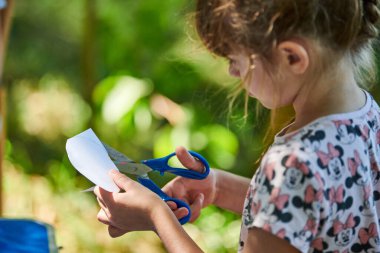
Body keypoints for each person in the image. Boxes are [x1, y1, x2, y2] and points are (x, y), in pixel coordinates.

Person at [94, 0, 380, 252]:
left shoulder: (293, 162)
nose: (232, 72)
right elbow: (313, 209)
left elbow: (296, 190)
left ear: (292, 57)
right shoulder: (367, 117)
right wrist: (219, 187)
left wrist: (158, 216)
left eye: (235, 59)